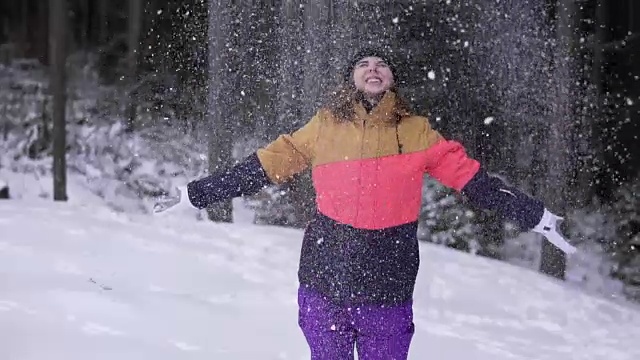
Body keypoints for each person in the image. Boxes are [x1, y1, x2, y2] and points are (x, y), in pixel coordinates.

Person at [155, 47, 576, 360]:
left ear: (391, 79)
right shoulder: (324, 127)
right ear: (351, 79)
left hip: (389, 275)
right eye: (363, 65)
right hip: (325, 271)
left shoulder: (417, 132)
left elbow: (473, 180)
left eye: (381, 65)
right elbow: (267, 164)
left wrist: (532, 214)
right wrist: (198, 194)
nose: (372, 69)